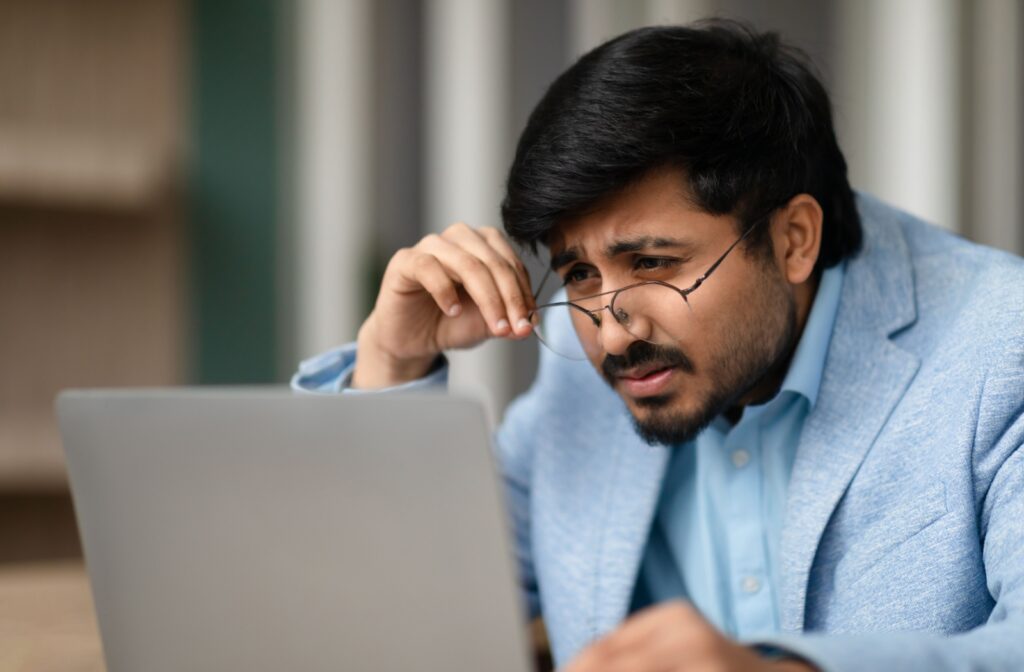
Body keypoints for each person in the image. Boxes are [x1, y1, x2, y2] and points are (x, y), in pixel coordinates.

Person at [292, 20, 1024, 672]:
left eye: (653, 264)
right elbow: (391, 627)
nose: (613, 332)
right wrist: (392, 366)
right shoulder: (583, 376)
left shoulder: (1001, 343)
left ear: (794, 238)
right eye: (579, 274)